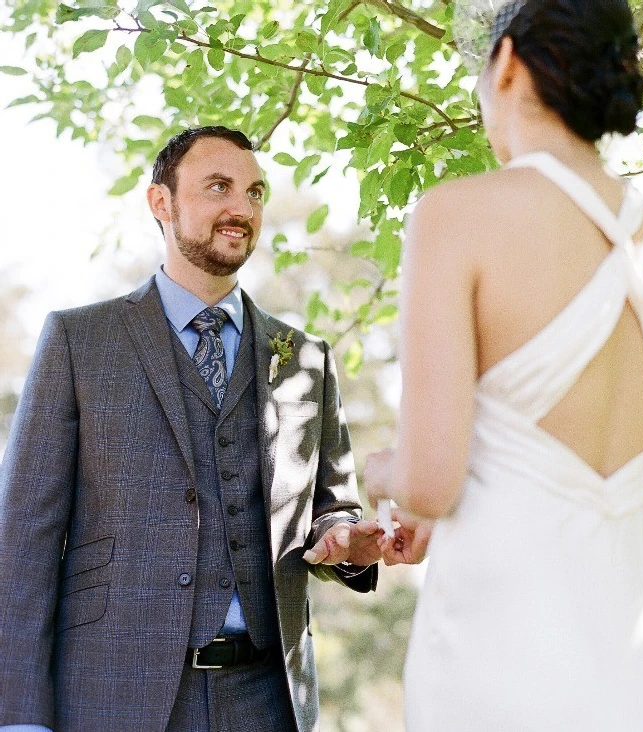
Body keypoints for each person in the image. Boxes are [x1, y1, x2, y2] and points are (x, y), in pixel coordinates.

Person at [0, 126, 427, 732]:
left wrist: (349, 542)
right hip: (112, 696)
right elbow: (24, 541)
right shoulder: (80, 341)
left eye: (254, 192)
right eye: (218, 187)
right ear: (162, 203)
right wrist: (19, 718)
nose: (240, 208)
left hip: (267, 699)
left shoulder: (303, 357)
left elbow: (332, 507)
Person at [362, 0, 643, 729]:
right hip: (627, 626)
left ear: (506, 61)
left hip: (502, 623)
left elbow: (428, 482)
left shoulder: (459, 214)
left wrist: (377, 472)